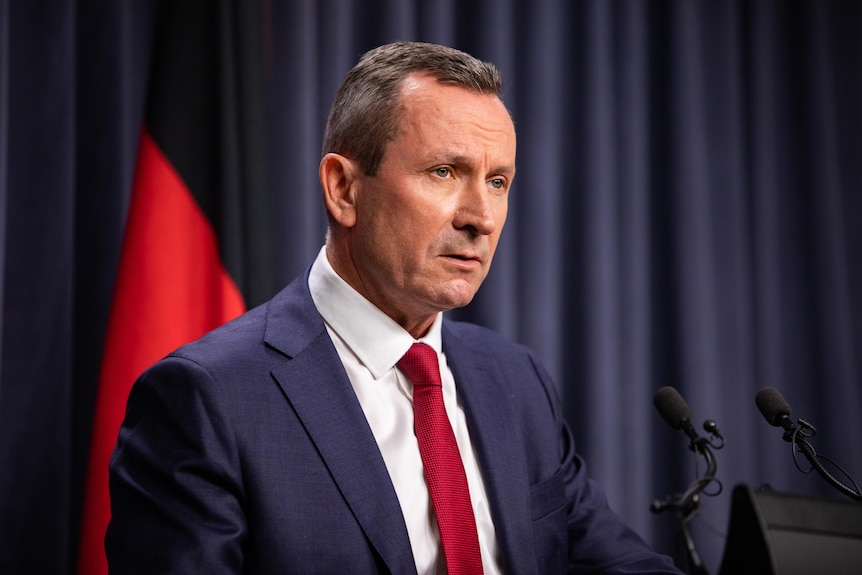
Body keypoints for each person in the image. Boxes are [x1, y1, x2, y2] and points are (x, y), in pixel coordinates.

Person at [106, 41, 683, 574]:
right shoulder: (208, 400)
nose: (480, 216)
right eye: (444, 172)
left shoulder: (515, 380)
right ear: (344, 189)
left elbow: (612, 561)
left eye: (499, 181)